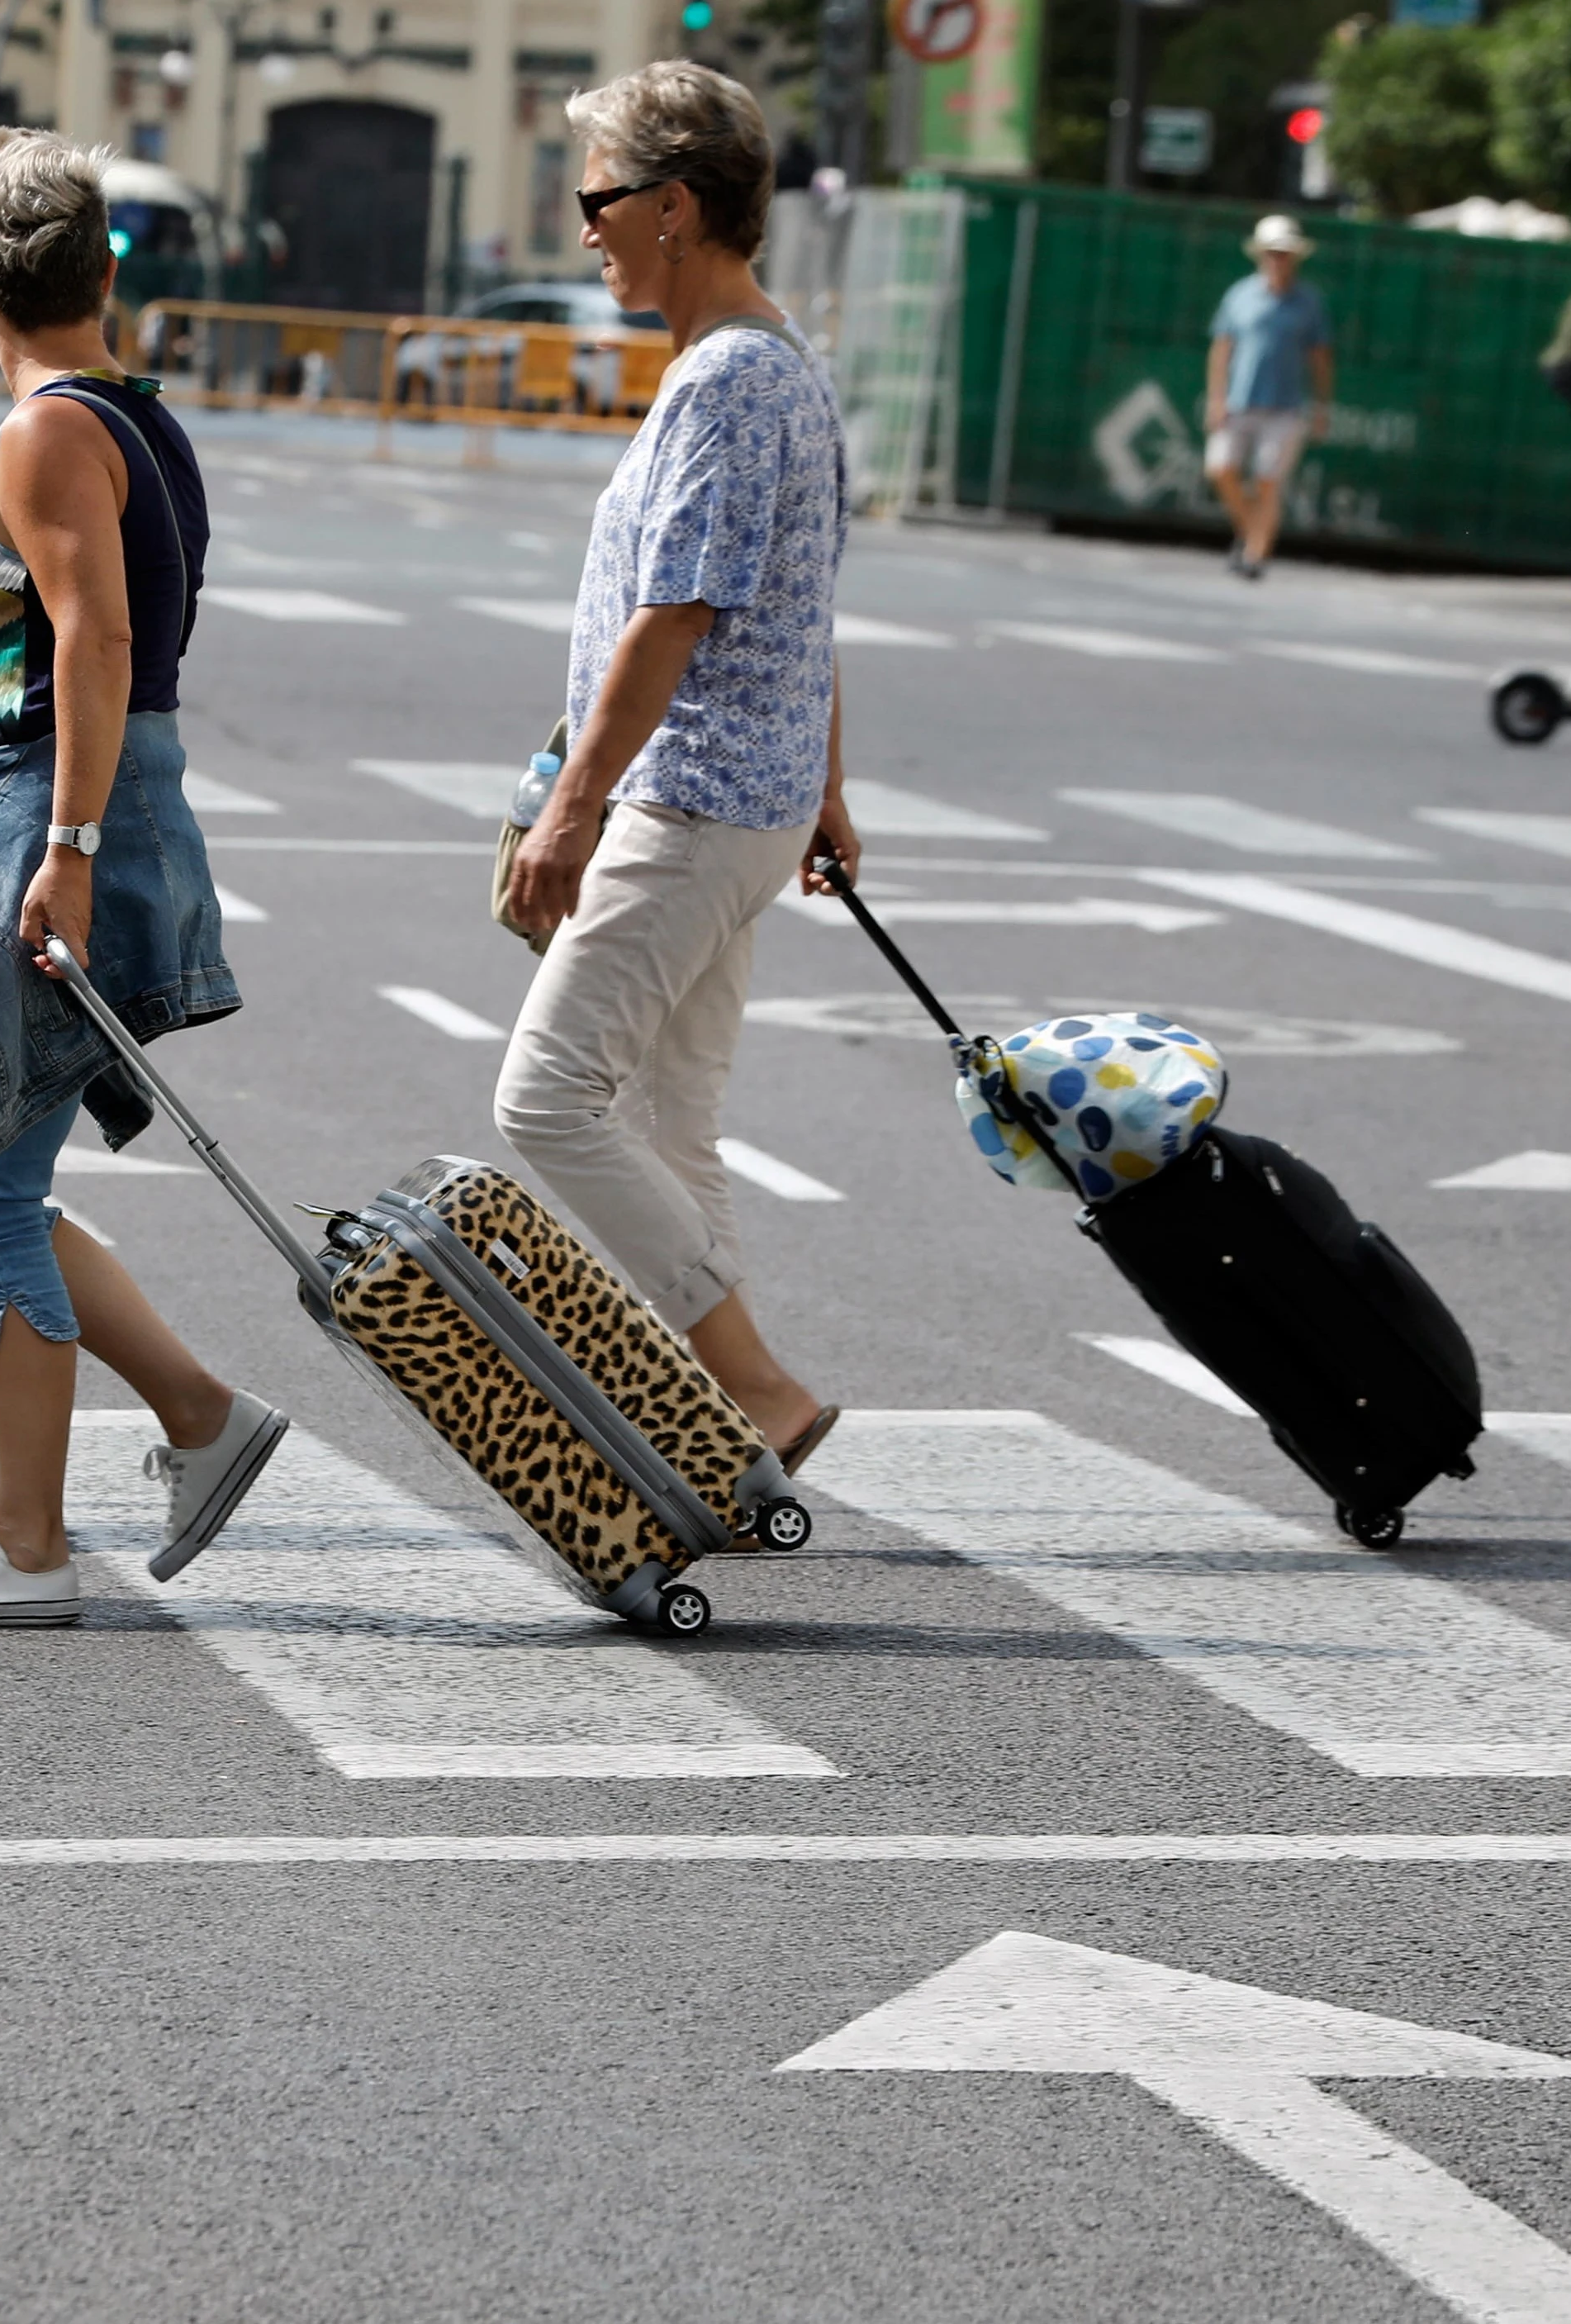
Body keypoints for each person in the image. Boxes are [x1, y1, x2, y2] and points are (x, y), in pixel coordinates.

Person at [0, 127, 287, 1632]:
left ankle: (29, 1550)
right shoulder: (135, 415)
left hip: (44, 819)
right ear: (106, 270)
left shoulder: (50, 434)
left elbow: (96, 639)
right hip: (36, 815)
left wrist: (70, 851)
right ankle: (199, 1415)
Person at [492, 61, 854, 1475]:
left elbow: (681, 614)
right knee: (668, 1118)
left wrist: (572, 812)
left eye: (598, 198)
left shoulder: (727, 384)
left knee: (550, 1096)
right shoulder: (781, 367)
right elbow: (806, 605)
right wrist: (827, 790)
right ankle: (717, 1413)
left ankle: (752, 1384)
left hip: (691, 797)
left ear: (676, 207)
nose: (583, 227)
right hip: (750, 798)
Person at [1201, 216, 1331, 579]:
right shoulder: (1240, 295)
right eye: (1273, 252)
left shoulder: (1309, 303)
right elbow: (1221, 349)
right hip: (1240, 401)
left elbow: (1320, 359)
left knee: (1267, 480)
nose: (1279, 259)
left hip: (1285, 408)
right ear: (1260, 255)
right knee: (1220, 468)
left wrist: (1322, 406)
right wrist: (1216, 398)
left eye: (1285, 253)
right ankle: (1250, 533)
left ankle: (1255, 555)